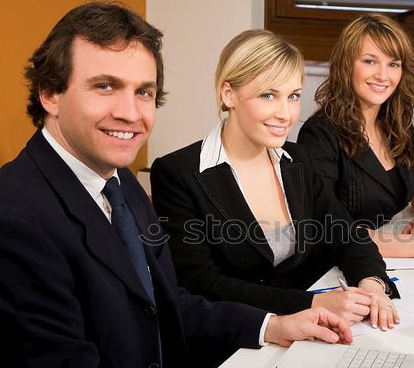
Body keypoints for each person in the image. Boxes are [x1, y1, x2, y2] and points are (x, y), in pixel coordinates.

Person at [0, 2, 355, 368]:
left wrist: (272, 325)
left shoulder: (117, 180)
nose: (131, 112)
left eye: (144, 92)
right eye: (105, 86)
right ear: (50, 93)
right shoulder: (11, 225)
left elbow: (166, 303)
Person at [151, 29, 398, 331]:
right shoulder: (178, 173)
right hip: (238, 337)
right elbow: (203, 284)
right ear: (229, 94)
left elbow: (346, 235)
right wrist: (312, 304)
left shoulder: (298, 160)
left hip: (310, 327)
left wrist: (373, 286)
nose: (286, 114)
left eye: (293, 96)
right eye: (269, 95)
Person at [297, 13, 414, 261]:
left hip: (391, 257)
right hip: (336, 266)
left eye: (393, 64)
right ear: (347, 65)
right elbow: (328, 230)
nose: (383, 75)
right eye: (370, 61)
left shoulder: (396, 125)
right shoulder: (319, 135)